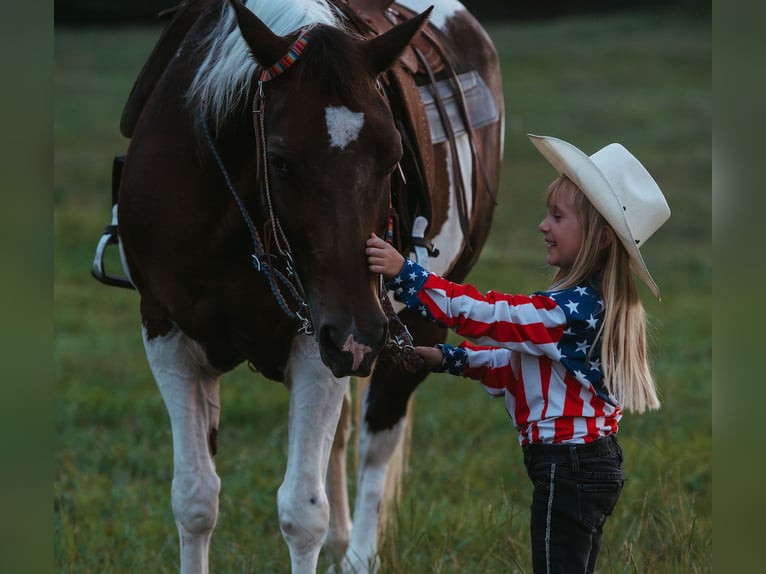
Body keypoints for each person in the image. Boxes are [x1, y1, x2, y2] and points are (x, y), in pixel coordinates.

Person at [365, 134, 670, 574]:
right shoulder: (583, 305)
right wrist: (447, 359)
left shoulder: (569, 311)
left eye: (557, 216)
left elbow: (490, 317)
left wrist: (406, 275)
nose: (543, 226)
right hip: (583, 464)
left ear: (601, 239)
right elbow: (517, 366)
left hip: (568, 468)